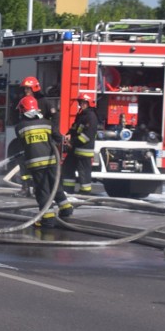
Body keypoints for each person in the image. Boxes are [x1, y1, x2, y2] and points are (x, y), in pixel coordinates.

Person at [16, 95, 73, 228]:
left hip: (35, 164)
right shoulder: (48, 123)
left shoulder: (20, 127)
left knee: (42, 191)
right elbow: (59, 138)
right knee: (55, 186)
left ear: (23, 110)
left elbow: (23, 144)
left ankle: (48, 219)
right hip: (51, 161)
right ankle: (66, 209)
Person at [62, 91, 98, 194]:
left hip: (84, 150)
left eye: (84, 102)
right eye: (81, 102)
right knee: (67, 167)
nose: (82, 104)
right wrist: (69, 134)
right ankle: (67, 190)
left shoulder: (91, 117)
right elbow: (74, 128)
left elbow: (86, 136)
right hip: (75, 149)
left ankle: (85, 193)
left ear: (89, 103)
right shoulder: (81, 115)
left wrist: (72, 142)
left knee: (83, 172)